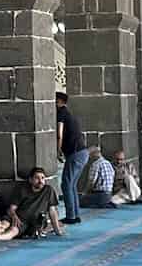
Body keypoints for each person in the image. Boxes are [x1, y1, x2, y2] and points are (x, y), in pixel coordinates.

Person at [55, 92, 89, 224]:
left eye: (55, 101)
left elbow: (59, 134)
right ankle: (75, 215)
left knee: (66, 184)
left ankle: (71, 216)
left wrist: (58, 150)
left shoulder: (62, 114)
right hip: (82, 153)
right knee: (72, 185)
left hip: (75, 154)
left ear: (61, 102)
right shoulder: (69, 114)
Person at [13, 166, 65, 239]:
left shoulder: (48, 190)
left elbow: (52, 211)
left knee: (58, 224)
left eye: (43, 178)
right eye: (37, 178)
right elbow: (12, 208)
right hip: (21, 220)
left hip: (36, 222)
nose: (40, 181)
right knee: (8, 229)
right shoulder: (23, 189)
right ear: (30, 180)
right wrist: (14, 216)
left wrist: (57, 231)